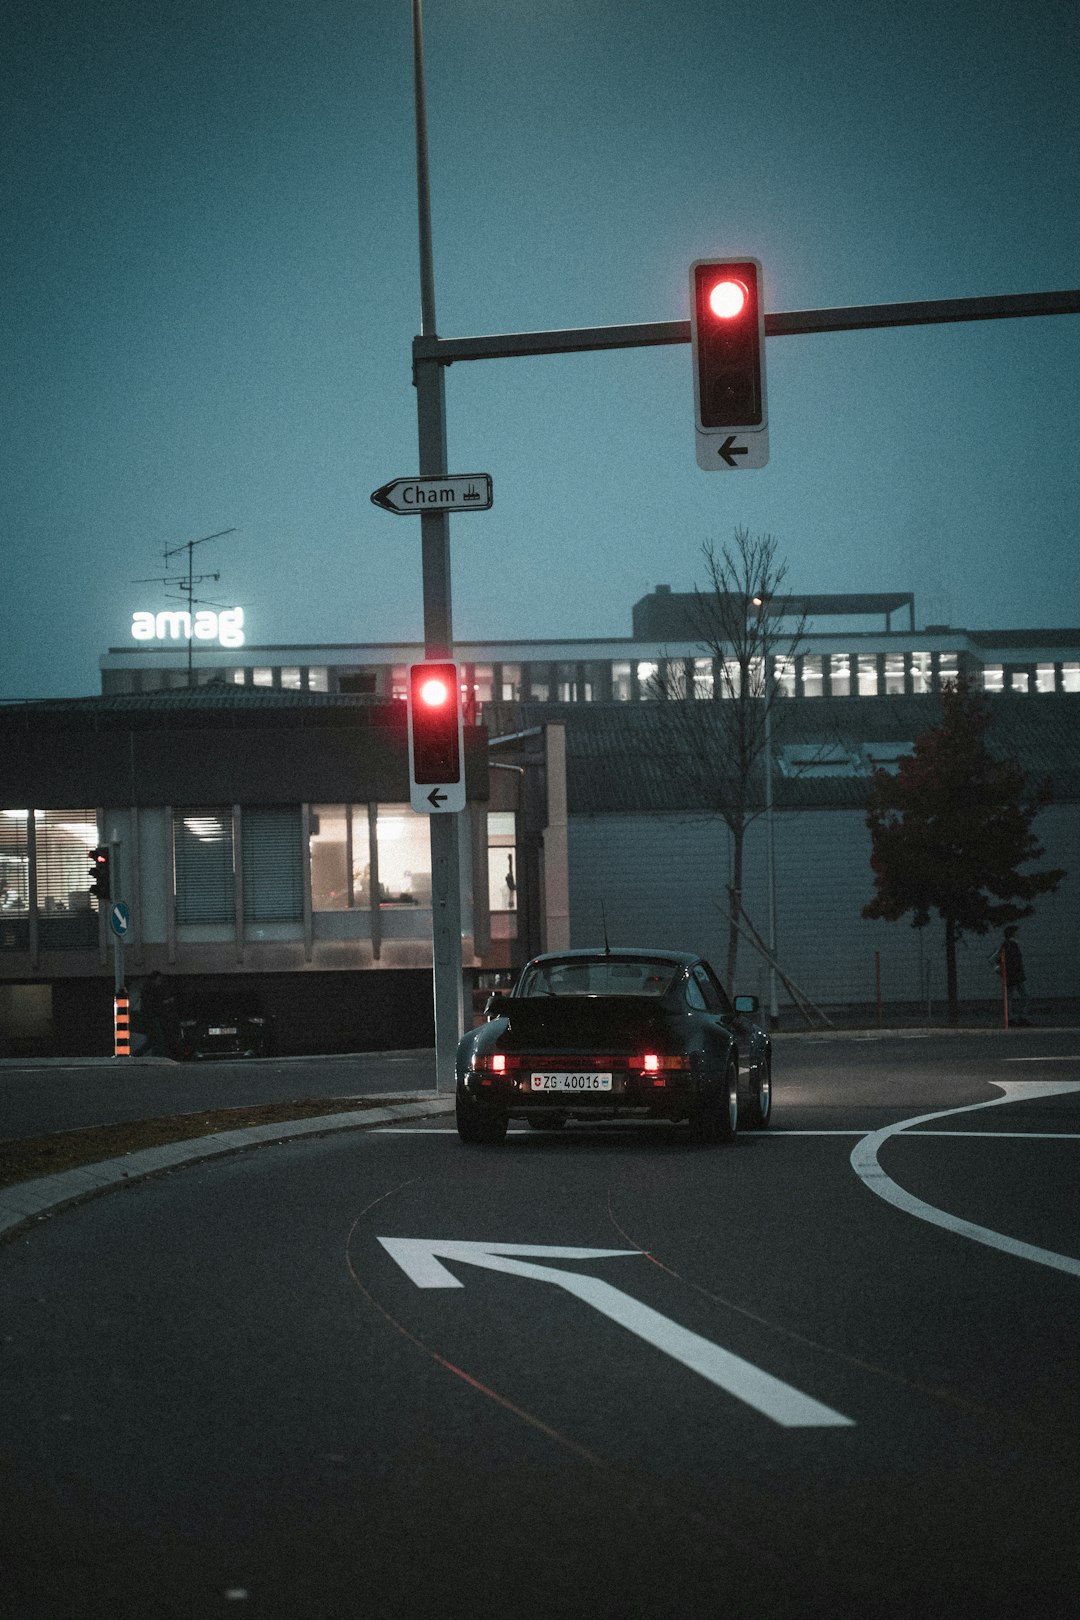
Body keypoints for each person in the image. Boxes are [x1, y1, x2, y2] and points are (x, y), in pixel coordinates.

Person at [993, 925, 1030, 1025]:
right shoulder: (1008, 945)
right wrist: (1001, 971)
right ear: (1013, 933)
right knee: (1020, 996)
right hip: (1013, 975)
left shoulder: (1012, 944)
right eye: (1017, 932)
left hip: (1016, 975)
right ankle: (1015, 1018)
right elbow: (995, 959)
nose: (1018, 933)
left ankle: (1014, 1017)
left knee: (1016, 996)